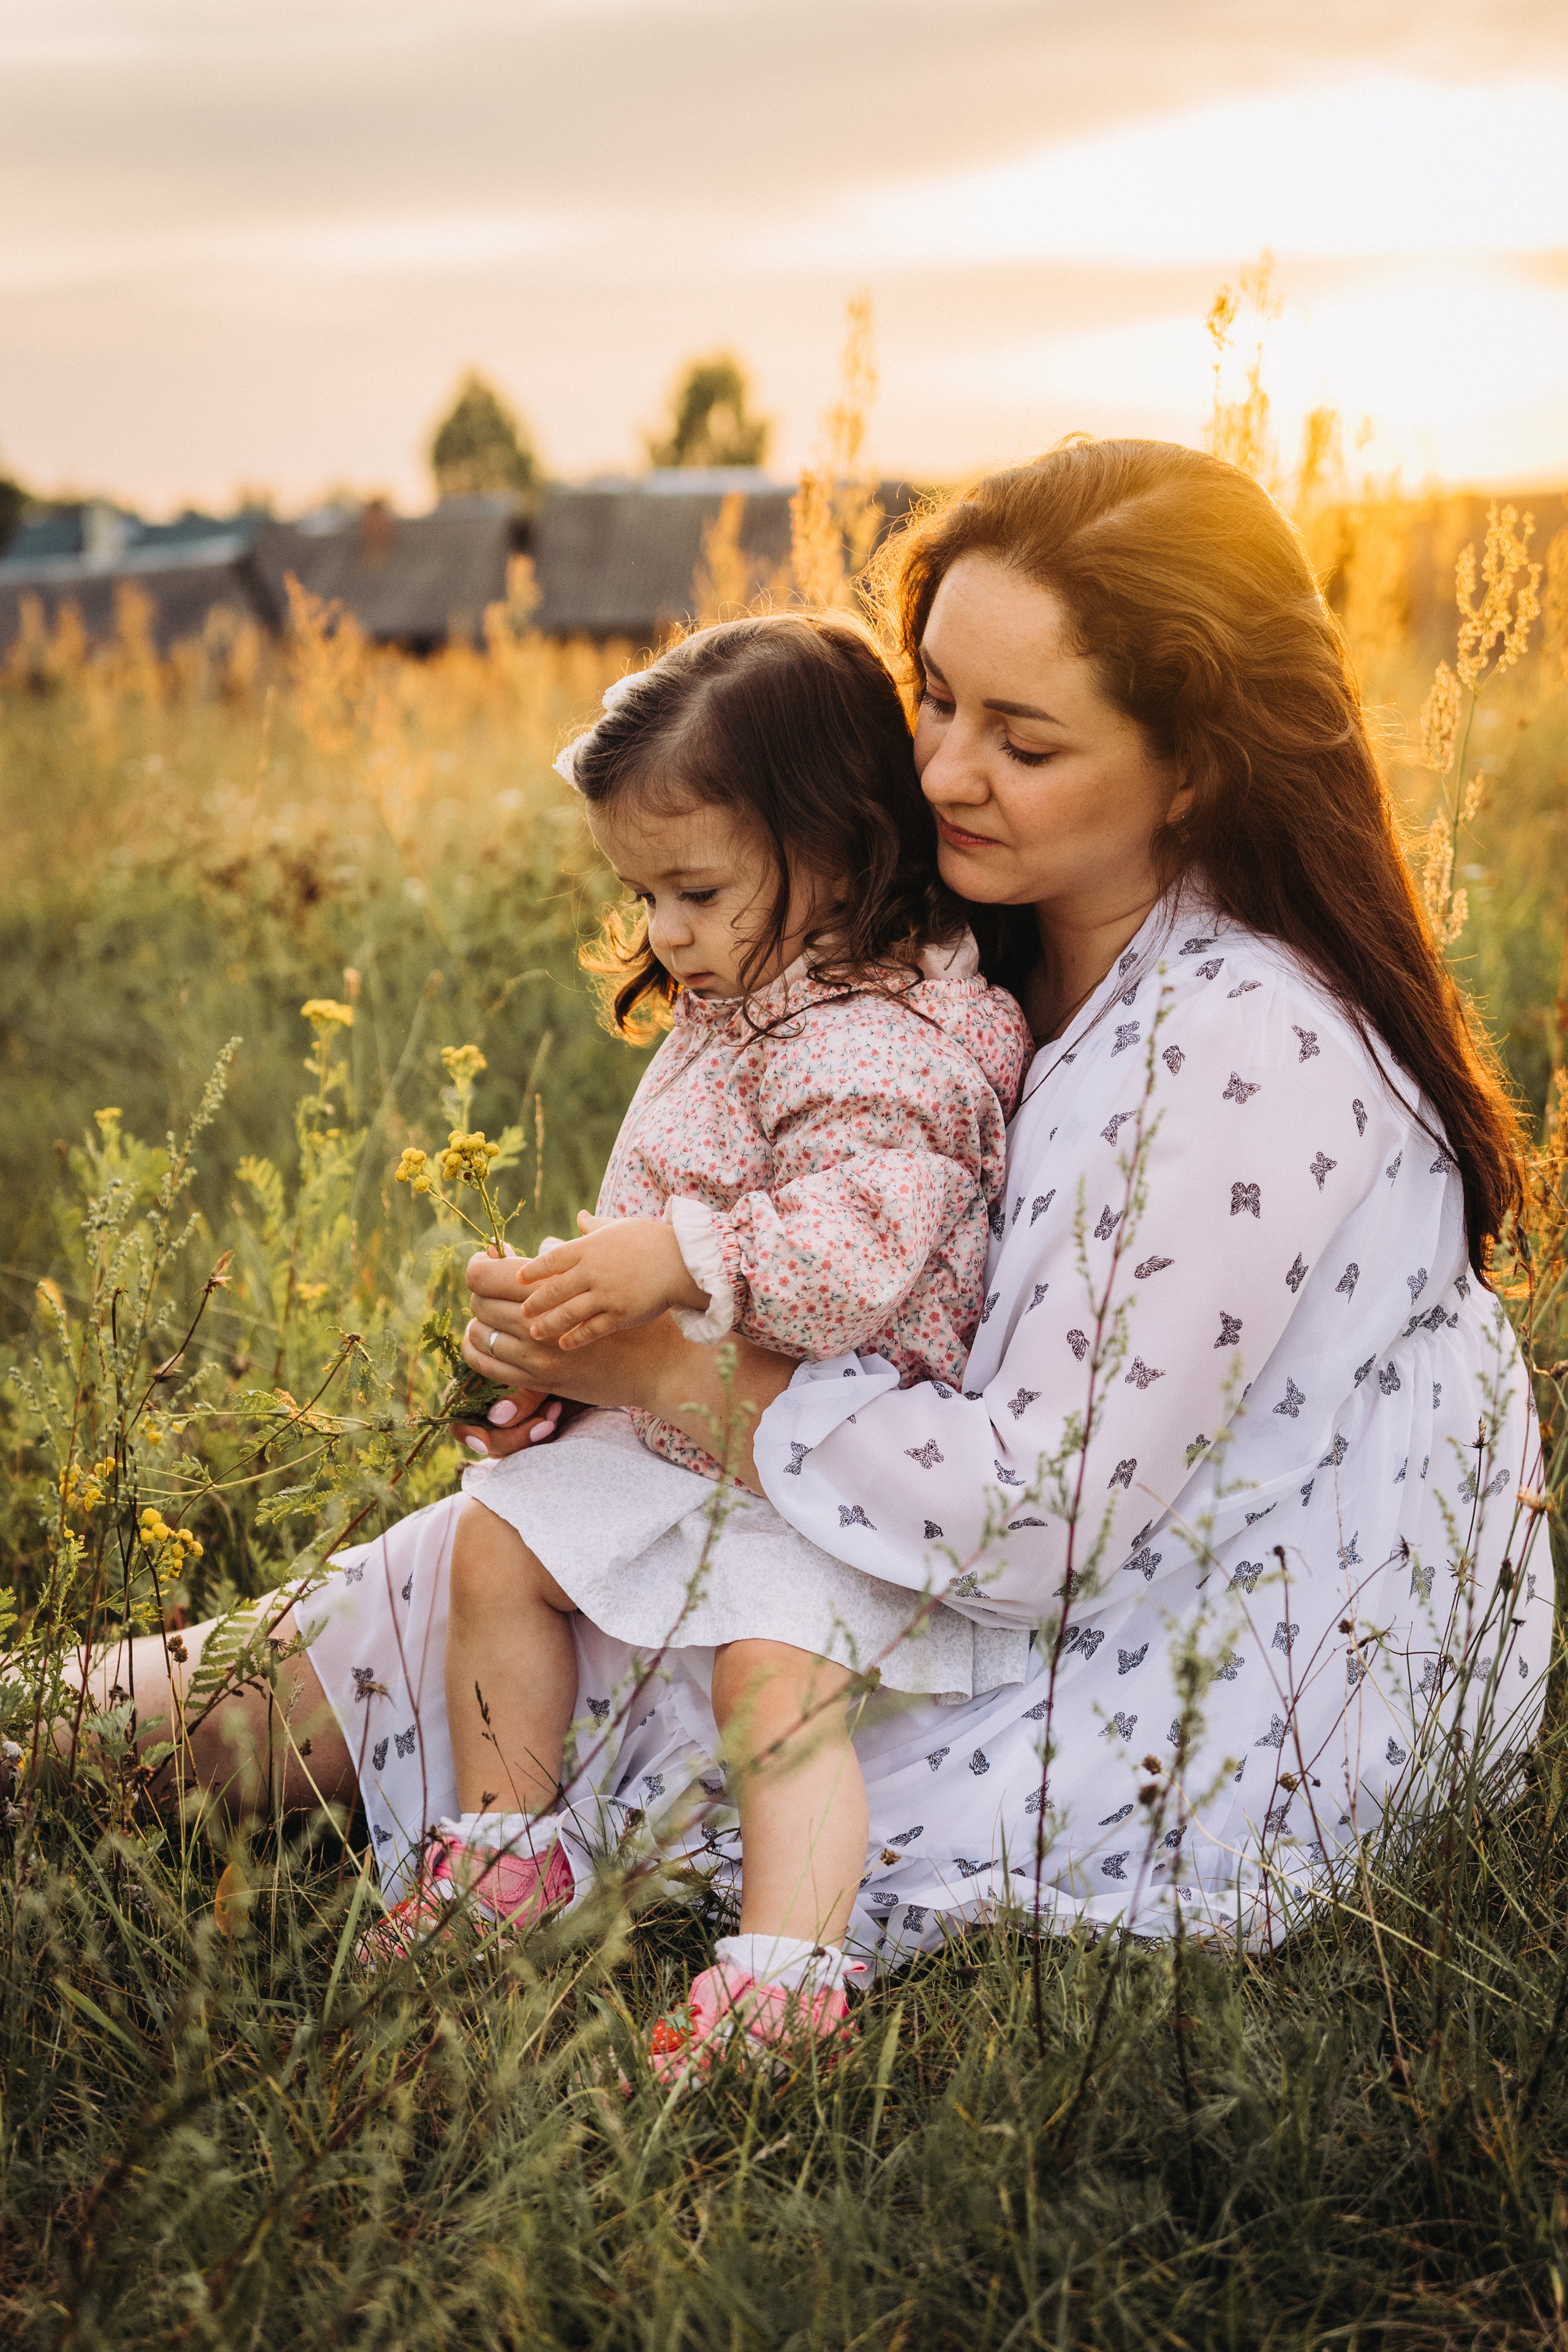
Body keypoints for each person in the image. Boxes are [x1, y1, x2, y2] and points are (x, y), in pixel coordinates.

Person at [47, 439, 1550, 2089]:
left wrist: (657, 1374)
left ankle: (85, 1747)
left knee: (519, 1606)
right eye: (936, 699)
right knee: (495, 1562)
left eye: (1022, 738)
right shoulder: (1003, 947)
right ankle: (60, 1726)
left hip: (1183, 1674)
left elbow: (1040, 1511)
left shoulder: (1241, 1044)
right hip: (1009, 1558)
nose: (949, 769)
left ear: (1192, 768)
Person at [370, 614, 1032, 2026]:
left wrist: (670, 1256)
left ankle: (789, 1974)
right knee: (496, 1546)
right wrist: (561, 1332)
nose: (663, 935)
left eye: (691, 891)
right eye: (643, 896)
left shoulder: (884, 1039)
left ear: (839, 852)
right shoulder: (749, 989)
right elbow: (693, 1210)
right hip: (693, 1421)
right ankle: (507, 1855)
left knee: (768, 1678)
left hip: (826, 1451)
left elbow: (851, 1265)